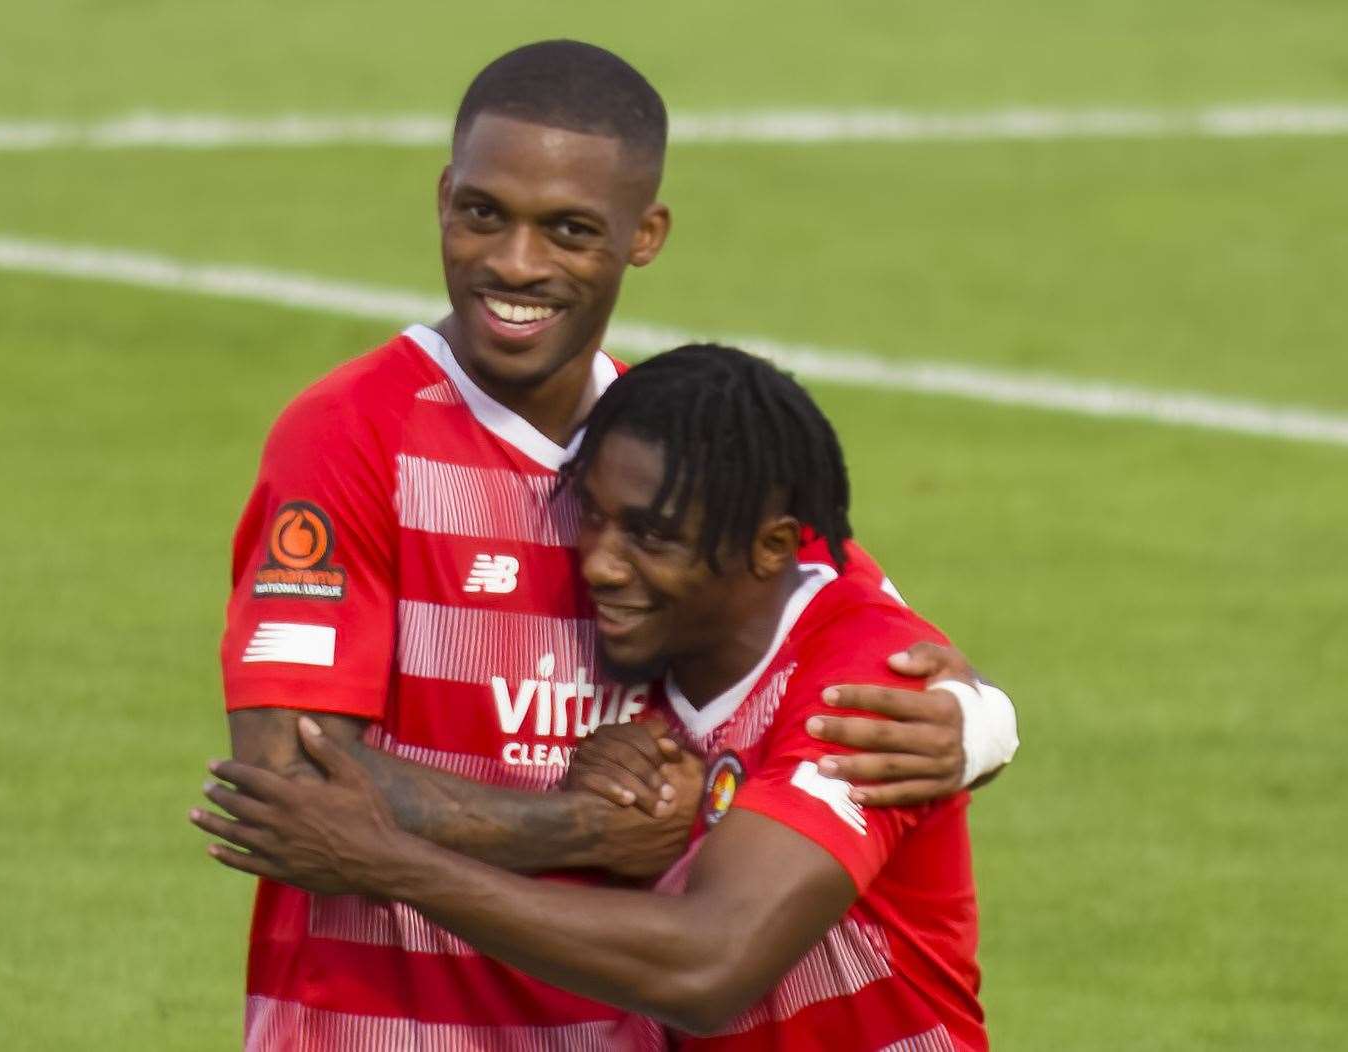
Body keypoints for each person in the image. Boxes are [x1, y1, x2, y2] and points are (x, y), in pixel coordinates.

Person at [201, 40, 1016, 1049]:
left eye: (569, 229)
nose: (515, 263)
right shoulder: (351, 434)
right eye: (485, 213)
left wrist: (981, 720)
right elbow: (290, 783)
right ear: (444, 196)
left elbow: (843, 613)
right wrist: (581, 827)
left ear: (646, 235)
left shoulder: (673, 452)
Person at [198, 344, 987, 1050]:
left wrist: (389, 862)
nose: (601, 566)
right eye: (593, 519)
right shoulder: (666, 673)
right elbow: (287, 770)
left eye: (649, 536)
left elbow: (711, 964)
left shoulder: (864, 691)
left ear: (772, 546)